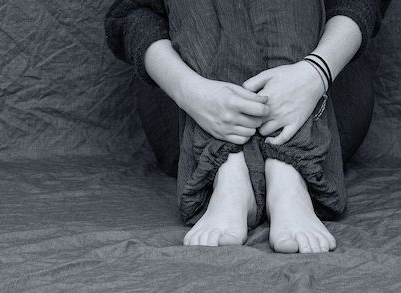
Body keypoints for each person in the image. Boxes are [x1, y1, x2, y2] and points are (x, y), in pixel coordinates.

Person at [105, 0, 384, 253]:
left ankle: (289, 172)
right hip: (187, 105)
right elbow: (131, 12)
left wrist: (316, 72)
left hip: (324, 97)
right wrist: (190, 91)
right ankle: (228, 168)